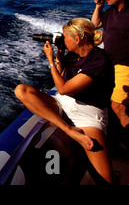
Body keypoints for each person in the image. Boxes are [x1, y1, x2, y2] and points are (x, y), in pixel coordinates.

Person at [15, 18, 115, 184]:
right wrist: (59, 54)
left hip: (88, 113)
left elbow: (63, 88)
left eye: (66, 37)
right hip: (66, 102)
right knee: (22, 90)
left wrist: (50, 61)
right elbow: (61, 78)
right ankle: (68, 129)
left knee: (105, 179)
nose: (63, 40)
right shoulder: (73, 56)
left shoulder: (99, 61)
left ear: (78, 39)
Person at [92, 0, 129, 129]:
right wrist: (98, 7)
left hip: (125, 66)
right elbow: (95, 25)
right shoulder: (109, 12)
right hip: (109, 64)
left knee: (118, 106)